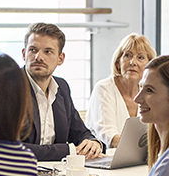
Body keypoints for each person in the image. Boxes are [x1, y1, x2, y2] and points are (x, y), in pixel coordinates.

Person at [19, 22, 105, 161]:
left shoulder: (62, 87)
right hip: (18, 173)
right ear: (24, 53)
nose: (38, 57)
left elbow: (80, 132)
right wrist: (69, 151)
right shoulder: (8, 88)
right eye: (33, 50)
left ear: (60, 58)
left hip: (55, 175)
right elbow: (10, 148)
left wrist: (92, 143)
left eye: (47, 52)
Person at [86, 33, 157, 147]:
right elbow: (109, 136)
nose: (133, 62)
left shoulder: (150, 93)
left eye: (140, 57)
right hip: (105, 158)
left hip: (138, 158)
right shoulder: (104, 88)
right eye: (127, 55)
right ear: (118, 63)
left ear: (148, 65)